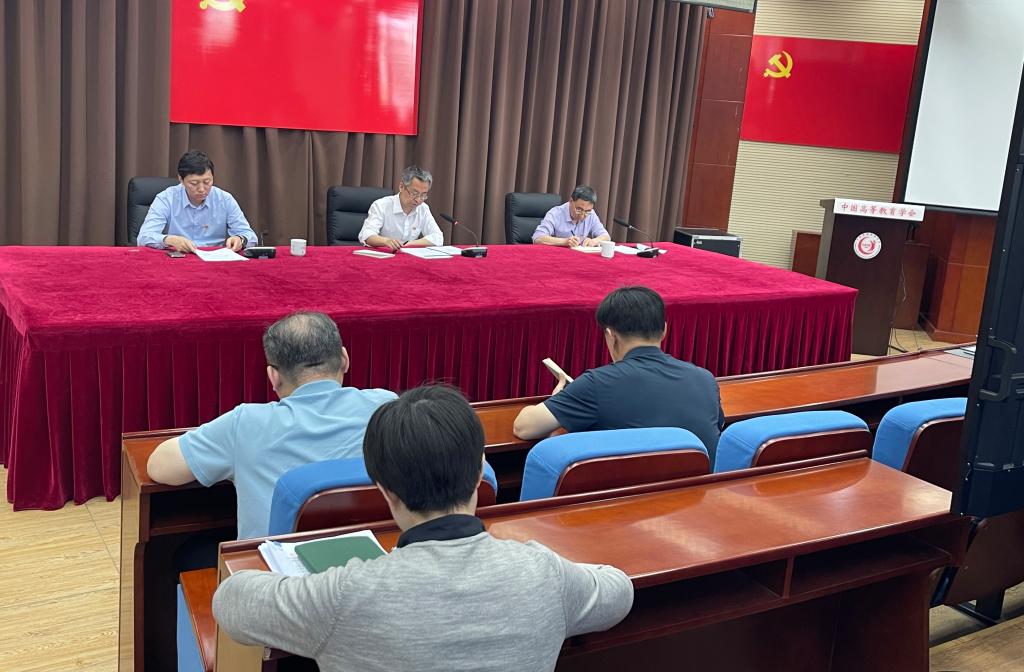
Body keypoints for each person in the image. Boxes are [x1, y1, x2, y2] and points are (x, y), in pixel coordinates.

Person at [212, 385, 633, 672]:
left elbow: (231, 601)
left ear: (384, 490)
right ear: (479, 474)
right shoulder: (543, 572)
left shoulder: (344, 593)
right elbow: (618, 590)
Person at [147, 312, 396, 539]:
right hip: (366, 562)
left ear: (273, 376)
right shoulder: (386, 407)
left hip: (275, 572)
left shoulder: (245, 423)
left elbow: (160, 468)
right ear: (344, 359)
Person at [513, 287, 724, 462]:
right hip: (699, 494)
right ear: (664, 331)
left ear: (610, 335)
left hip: (627, 496)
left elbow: (524, 427)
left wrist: (558, 399)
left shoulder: (596, 384)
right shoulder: (705, 379)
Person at [136, 149, 258, 253]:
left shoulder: (225, 199)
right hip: (178, 259)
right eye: (194, 183)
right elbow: (143, 237)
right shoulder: (166, 199)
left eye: (207, 182)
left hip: (213, 260)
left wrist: (241, 240)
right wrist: (168, 240)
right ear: (181, 179)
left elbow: (250, 236)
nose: (202, 189)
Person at [358, 165, 444, 251]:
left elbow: (438, 237)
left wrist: (409, 244)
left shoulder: (423, 209)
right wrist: (386, 241)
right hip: (384, 254)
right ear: (401, 187)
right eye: (414, 193)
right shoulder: (381, 205)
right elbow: (366, 234)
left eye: (423, 195)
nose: (418, 200)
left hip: (408, 255)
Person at [532, 185, 611, 247]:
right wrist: (565, 241)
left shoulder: (591, 214)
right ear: (571, 201)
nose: (582, 216)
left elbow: (606, 237)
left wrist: (594, 241)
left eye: (587, 211)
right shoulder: (555, 213)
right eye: (579, 209)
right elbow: (537, 238)